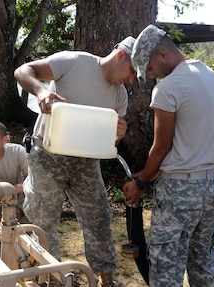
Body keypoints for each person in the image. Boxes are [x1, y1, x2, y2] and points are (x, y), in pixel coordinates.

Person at [14, 36, 136, 287]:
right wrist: (41, 90)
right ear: (121, 56)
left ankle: (106, 278)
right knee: (43, 220)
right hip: (48, 157)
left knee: (99, 217)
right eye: (132, 71)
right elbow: (22, 70)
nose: (132, 79)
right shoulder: (74, 62)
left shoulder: (120, 95)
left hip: (86, 162)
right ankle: (51, 278)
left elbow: (109, 142)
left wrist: (117, 134)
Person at [123, 24, 214, 287]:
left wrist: (141, 183)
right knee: (204, 263)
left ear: (163, 55)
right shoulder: (209, 75)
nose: (151, 75)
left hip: (179, 190)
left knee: (165, 267)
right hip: (210, 185)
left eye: (150, 68)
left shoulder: (169, 88)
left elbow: (161, 147)